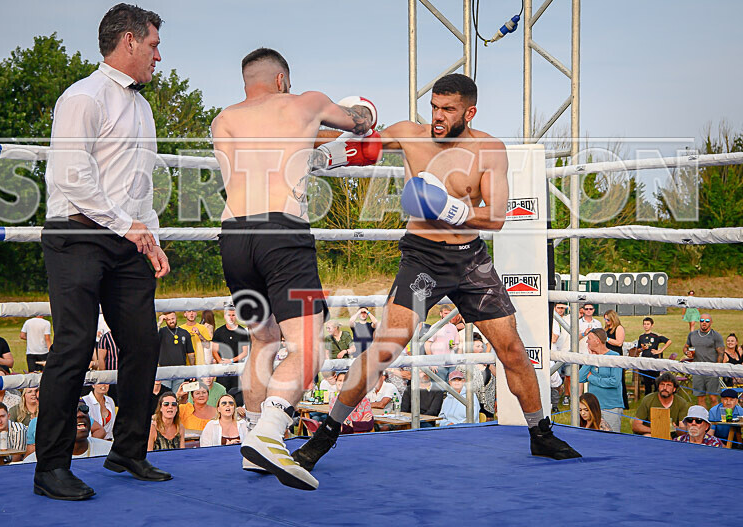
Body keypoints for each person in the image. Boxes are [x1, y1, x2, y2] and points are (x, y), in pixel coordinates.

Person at [294, 74, 579, 475]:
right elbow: (362, 145)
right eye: (434, 107)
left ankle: (541, 434)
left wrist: (454, 210)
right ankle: (325, 433)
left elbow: (497, 216)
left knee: (512, 350)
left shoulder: (488, 149)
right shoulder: (411, 135)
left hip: (470, 261)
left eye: (448, 109)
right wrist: (308, 138)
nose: (438, 116)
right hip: (423, 260)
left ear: (469, 111)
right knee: (385, 348)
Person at [211, 47, 379, 491]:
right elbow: (359, 123)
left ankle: (250, 442)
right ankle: (270, 434)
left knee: (262, 341)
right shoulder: (306, 101)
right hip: (281, 235)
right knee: (308, 345)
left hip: (233, 237)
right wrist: (365, 111)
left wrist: (319, 154)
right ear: (283, 80)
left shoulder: (223, 119)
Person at [33, 4, 171, 501]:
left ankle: (128, 449)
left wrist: (148, 236)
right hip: (78, 237)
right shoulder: (83, 97)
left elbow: (140, 183)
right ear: (129, 41)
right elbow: (73, 177)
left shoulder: (142, 106)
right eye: (153, 44)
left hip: (127, 240)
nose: (159, 55)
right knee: (74, 345)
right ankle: (50, 467)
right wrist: (126, 227)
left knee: (143, 343)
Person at [25, 401, 114, 463]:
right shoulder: (36, 461)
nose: (80, 414)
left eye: (84, 408)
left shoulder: (110, 451)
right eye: (72, 410)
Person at [577, 329, 624, 432]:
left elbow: (614, 381)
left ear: (597, 340)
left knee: (611, 439)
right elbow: (580, 377)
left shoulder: (614, 357)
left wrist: (591, 378)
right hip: (593, 408)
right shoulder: (592, 358)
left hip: (611, 407)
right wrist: (591, 359)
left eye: (589, 339)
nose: (587, 342)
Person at [683, 313, 724, 408]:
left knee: (713, 397)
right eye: (702, 321)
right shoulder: (692, 335)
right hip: (697, 370)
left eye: (707, 321)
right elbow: (685, 347)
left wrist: (717, 368)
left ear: (711, 323)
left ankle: (715, 420)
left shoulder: (716, 336)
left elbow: (721, 353)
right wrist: (687, 353)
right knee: (700, 398)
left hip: (712, 371)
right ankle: (703, 420)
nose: (704, 323)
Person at [210, 306, 250, 394]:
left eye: (233, 315)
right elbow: (214, 350)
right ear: (225, 316)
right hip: (222, 369)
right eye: (229, 315)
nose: (231, 318)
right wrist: (220, 361)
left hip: (237, 369)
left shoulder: (242, 331)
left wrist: (231, 360)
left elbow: (245, 352)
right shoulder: (219, 332)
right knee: (222, 393)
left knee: (236, 394)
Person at [157, 312, 195, 391]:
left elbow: (190, 353)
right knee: (165, 394)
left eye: (173, 319)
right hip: (165, 370)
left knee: (178, 394)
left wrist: (192, 370)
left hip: (180, 370)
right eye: (168, 319)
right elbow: (152, 337)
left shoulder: (184, 333)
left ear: (176, 318)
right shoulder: (161, 332)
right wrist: (159, 322)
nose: (171, 321)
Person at [424, 305, 460, 385]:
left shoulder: (453, 327)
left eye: (449, 314)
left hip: (452, 364)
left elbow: (457, 344)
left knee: (452, 389)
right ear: (441, 314)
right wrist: (432, 363)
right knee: (438, 389)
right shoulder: (435, 326)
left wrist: (454, 346)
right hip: (438, 364)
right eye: (445, 313)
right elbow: (427, 344)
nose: (448, 316)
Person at [636, 317, 672, 394]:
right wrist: (642, 349)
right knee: (646, 382)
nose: (646, 326)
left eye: (648, 324)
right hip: (644, 361)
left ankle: (657, 395)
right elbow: (638, 349)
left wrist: (660, 351)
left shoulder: (655, 336)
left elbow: (669, 341)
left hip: (654, 361)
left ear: (652, 325)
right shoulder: (641, 337)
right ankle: (647, 396)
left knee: (656, 381)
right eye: (644, 324)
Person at [603, 309, 628, 410]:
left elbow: (619, 342)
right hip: (607, 354)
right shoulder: (606, 329)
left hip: (616, 354)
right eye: (605, 320)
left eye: (608, 320)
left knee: (618, 378)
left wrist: (607, 339)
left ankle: (623, 402)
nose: (606, 322)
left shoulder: (619, 328)